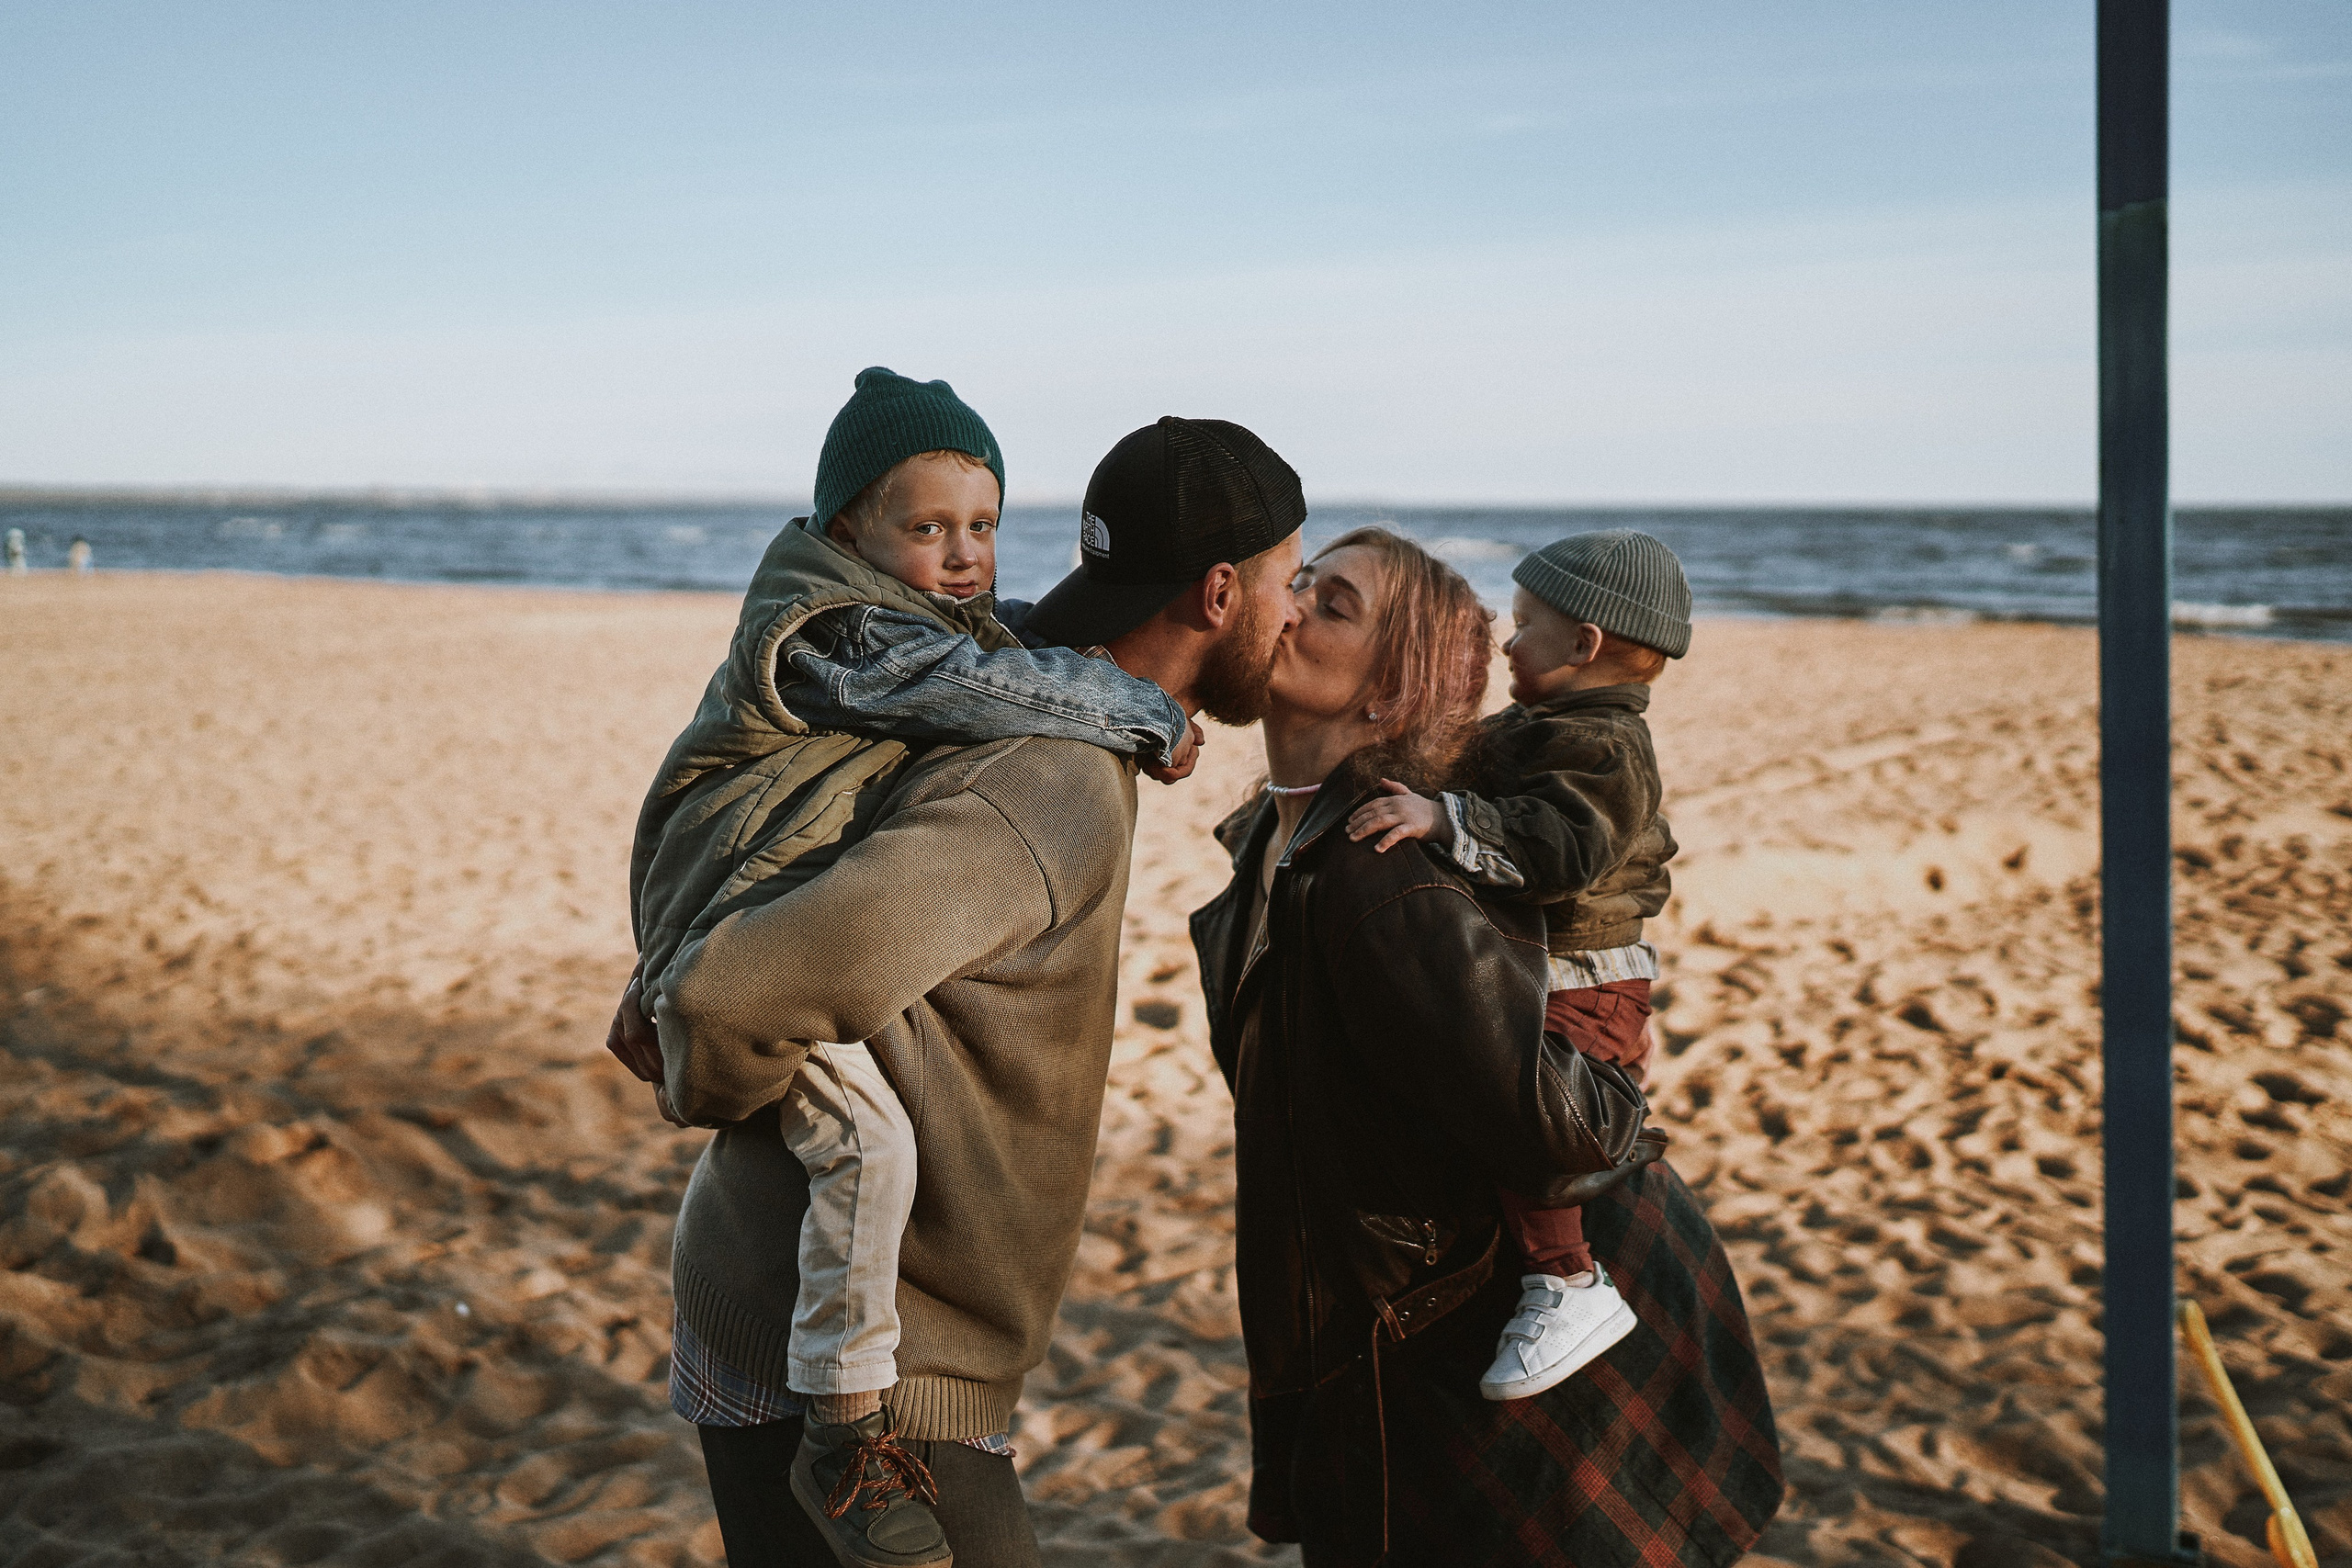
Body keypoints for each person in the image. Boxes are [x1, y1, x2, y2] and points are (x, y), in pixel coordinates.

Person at [607, 412, 1307, 1568]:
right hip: (851, 1367)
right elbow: (730, 1000)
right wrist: (704, 1061)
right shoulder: (1052, 781)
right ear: (1222, 591)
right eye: (1293, 582)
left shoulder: (1000, 680)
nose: (1295, 613)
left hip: (822, 1307)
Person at [1191, 527, 1781, 1566]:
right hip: (1406, 1329)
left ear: (1386, 695)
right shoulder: (1273, 848)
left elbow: (1571, 1134)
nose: (1285, 608)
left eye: (1330, 605)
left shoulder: (1379, 874)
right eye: (1303, 586)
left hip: (1507, 1342)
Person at [1340, 529, 1690, 1401]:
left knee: (1526, 1111)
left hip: (1587, 977)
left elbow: (1561, 846)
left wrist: (1445, 819)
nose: (1508, 638)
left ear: (1585, 644)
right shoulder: (1542, 722)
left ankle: (1569, 1282)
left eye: (1526, 622)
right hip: (1547, 965)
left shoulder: (1605, 747)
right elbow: (1459, 758)